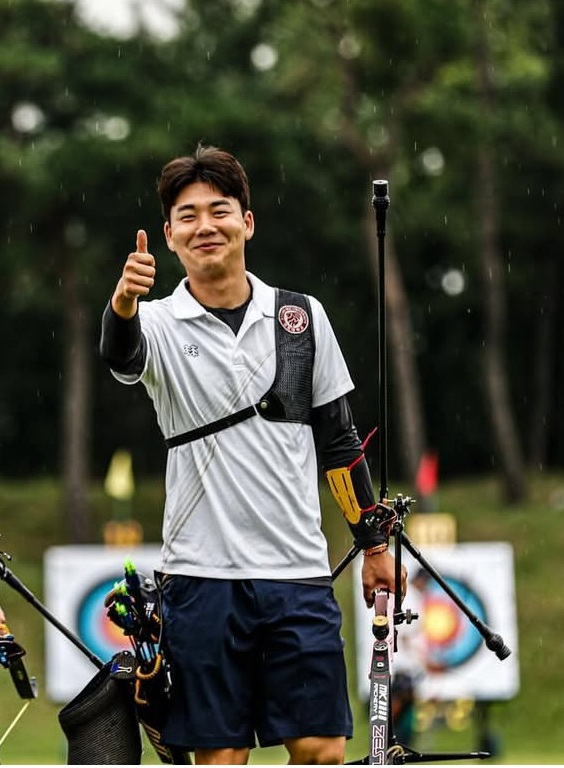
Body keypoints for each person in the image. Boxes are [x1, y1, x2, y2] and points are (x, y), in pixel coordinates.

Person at [100, 144, 407, 765]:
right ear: (168, 236)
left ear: (247, 221)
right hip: (201, 578)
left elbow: (339, 442)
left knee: (322, 751)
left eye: (220, 211)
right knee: (221, 758)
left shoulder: (301, 317)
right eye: (187, 216)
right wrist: (123, 302)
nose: (205, 226)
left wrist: (375, 546)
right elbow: (120, 353)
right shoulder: (156, 322)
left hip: (297, 572)